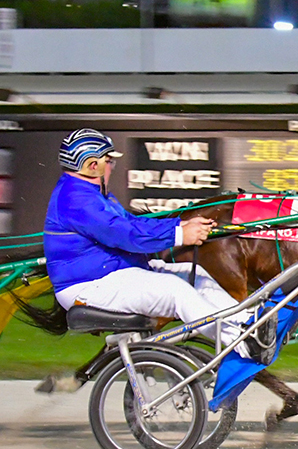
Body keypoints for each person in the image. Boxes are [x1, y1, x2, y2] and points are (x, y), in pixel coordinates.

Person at [43, 128, 273, 363]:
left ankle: (247, 321)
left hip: (111, 274)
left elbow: (133, 223)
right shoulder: (76, 200)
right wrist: (180, 235)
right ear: (92, 165)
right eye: (108, 160)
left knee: (195, 276)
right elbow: (126, 235)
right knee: (176, 291)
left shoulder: (95, 194)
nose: (112, 166)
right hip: (90, 287)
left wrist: (182, 224)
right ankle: (241, 341)